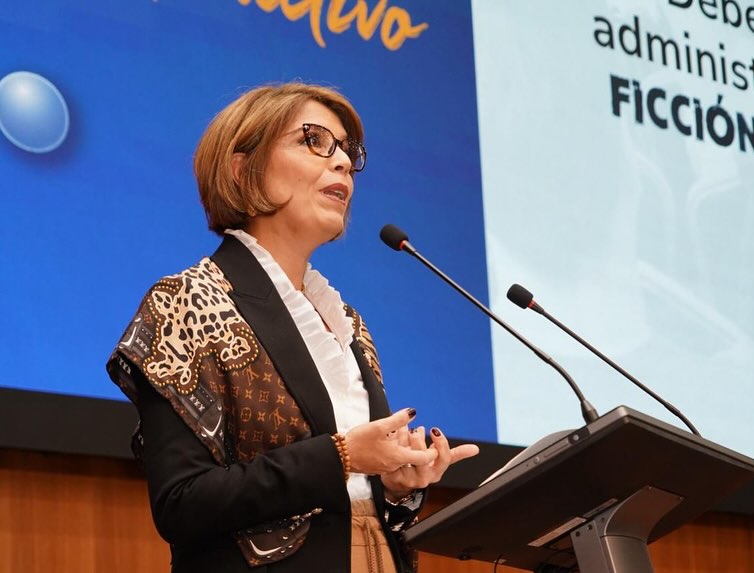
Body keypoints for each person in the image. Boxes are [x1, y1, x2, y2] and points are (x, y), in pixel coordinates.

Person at [106, 82, 479, 573]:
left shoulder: (348, 323)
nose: (342, 162)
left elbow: (353, 495)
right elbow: (182, 503)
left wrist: (395, 485)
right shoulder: (188, 299)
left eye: (346, 150)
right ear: (243, 169)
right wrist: (341, 456)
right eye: (313, 141)